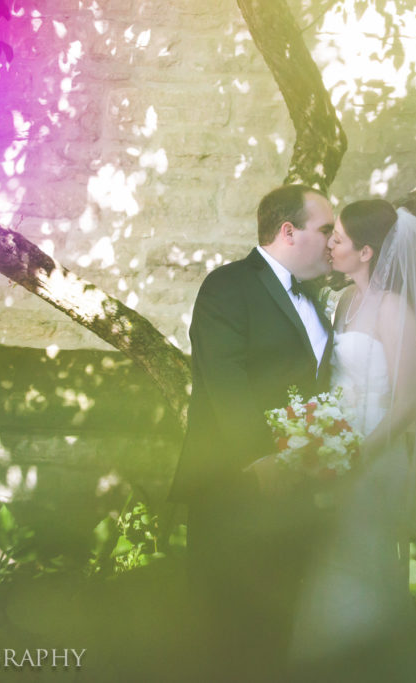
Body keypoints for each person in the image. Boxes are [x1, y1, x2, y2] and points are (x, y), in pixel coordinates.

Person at [168, 183, 335, 681]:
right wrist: (261, 461)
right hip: (235, 489)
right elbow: (226, 379)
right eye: (325, 229)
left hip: (297, 497)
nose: (332, 241)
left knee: (278, 637)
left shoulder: (319, 301)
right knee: (226, 638)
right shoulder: (228, 285)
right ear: (288, 231)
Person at [287, 199, 416, 681]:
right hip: (336, 451)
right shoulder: (344, 301)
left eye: (338, 238)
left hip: (373, 459)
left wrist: (358, 457)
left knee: (364, 567)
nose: (330, 245)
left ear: (365, 252)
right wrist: (319, 439)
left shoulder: (396, 311)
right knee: (328, 565)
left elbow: (406, 404)